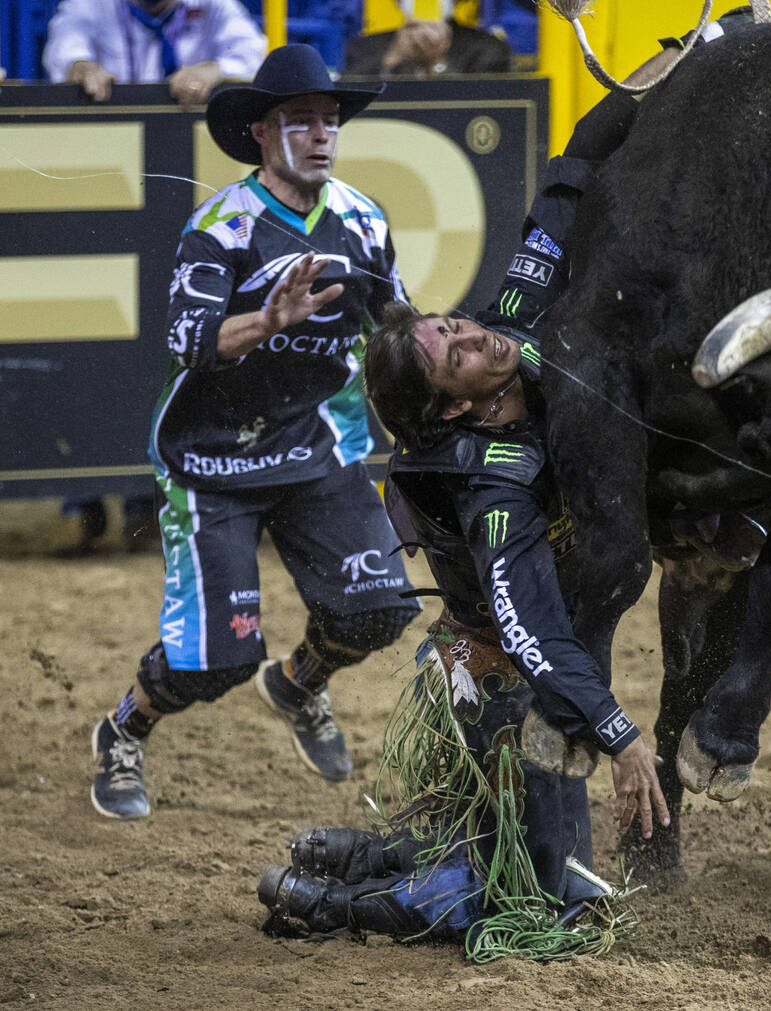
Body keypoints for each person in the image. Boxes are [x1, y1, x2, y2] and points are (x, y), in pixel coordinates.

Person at [256, 53, 684, 954]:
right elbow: (529, 630)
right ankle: (341, 899)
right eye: (456, 351)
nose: (475, 334)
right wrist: (619, 737)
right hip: (496, 675)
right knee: (549, 900)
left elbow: (566, 180)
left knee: (527, 863)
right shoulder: (494, 484)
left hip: (512, 658)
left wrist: (692, 56)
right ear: (455, 403)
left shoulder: (517, 317)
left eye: (453, 324)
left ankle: (354, 856)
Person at [89, 43, 421, 821]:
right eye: (300, 121)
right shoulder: (222, 226)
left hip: (314, 445)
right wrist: (265, 320)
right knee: (219, 660)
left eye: (329, 120)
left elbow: (396, 325)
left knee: (376, 610)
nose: (320, 134)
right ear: (263, 135)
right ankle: (121, 730)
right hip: (209, 459)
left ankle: (299, 681)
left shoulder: (363, 220)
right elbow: (185, 340)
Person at [42, 0, 266, 105]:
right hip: (114, 129)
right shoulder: (91, 4)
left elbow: (252, 51)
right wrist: (79, 65)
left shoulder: (213, 5)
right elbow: (65, 41)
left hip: (187, 122)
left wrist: (216, 70)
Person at [343, 1, 513, 78]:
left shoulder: (489, 49)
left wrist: (437, 65)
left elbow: (484, 108)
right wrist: (391, 61)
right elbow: (351, 103)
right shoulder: (364, 47)